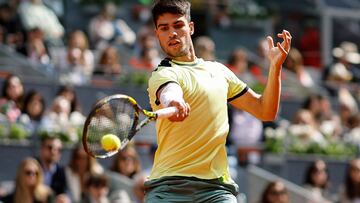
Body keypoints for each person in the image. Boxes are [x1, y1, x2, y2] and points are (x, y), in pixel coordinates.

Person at [145, 0, 291, 202]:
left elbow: (265, 111)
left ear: (191, 27)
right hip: (169, 188)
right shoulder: (162, 74)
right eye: (164, 28)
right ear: (157, 34)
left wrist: (275, 68)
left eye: (178, 25)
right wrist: (174, 102)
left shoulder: (220, 72)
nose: (172, 33)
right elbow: (170, 92)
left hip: (216, 190)